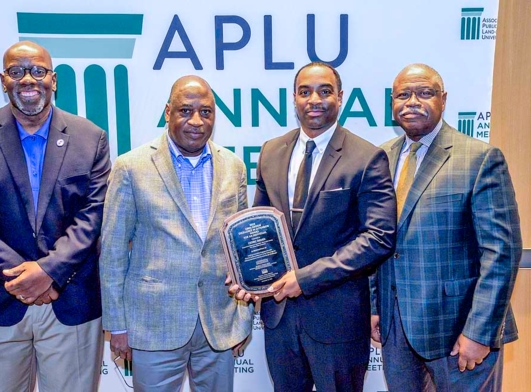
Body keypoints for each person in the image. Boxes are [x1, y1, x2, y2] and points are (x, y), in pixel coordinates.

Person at [0, 41, 110, 391]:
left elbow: (93, 216)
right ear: (4, 80)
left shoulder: (90, 138)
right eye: (16, 71)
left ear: (53, 79)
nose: (28, 80)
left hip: (69, 302)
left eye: (37, 70)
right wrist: (23, 276)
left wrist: (49, 271)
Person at [231, 62, 397, 391]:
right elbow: (260, 226)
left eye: (324, 91)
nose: (314, 99)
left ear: (340, 98)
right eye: (305, 92)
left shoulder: (366, 158)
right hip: (279, 316)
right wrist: (245, 272)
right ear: (294, 98)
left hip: (337, 318)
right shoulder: (271, 152)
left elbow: (379, 238)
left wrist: (305, 279)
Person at [370, 63, 522, 391]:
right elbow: (376, 240)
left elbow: (501, 254)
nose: (412, 101)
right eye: (403, 95)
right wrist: (374, 307)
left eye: (425, 93)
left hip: (458, 332)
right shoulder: (382, 157)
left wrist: (480, 332)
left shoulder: (479, 158)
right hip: (397, 330)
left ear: (443, 100)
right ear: (392, 104)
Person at [99, 75, 253, 392]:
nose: (196, 121)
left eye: (206, 112)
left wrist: (242, 319)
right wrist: (117, 325)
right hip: (154, 323)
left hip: (218, 322)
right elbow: (112, 252)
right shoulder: (131, 167)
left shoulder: (233, 166)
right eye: (185, 110)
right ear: (168, 112)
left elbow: (241, 251)